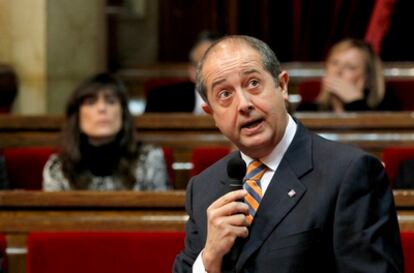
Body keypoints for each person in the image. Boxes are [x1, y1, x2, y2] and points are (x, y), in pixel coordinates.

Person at [173, 35, 403, 272]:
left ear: (282, 86)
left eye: (253, 83)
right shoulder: (202, 188)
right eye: (225, 94)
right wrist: (210, 258)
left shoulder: (350, 173)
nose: (243, 104)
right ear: (212, 115)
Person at [43, 73, 170, 191]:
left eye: (111, 101)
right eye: (91, 102)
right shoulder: (59, 167)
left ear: (123, 113)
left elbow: (161, 213)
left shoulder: (148, 159)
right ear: (77, 116)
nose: (102, 109)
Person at [297, 38, 399, 112]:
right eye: (334, 63)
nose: (338, 71)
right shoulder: (308, 110)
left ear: (367, 78)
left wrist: (356, 102)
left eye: (350, 67)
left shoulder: (385, 109)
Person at [144, 31, 222, 114]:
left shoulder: (236, 99)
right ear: (192, 71)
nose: (213, 70)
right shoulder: (160, 100)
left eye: (219, 63)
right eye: (204, 63)